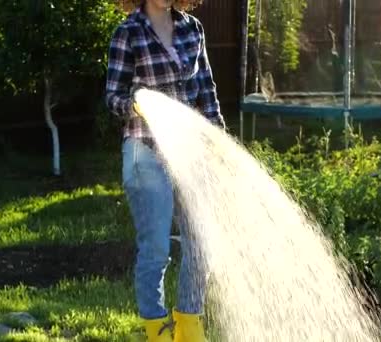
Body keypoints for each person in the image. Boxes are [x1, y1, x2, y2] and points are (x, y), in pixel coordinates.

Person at [105, 1, 225, 341]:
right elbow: (112, 96)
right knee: (156, 248)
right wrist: (135, 105)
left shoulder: (192, 28)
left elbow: (207, 88)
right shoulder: (128, 33)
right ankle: (157, 331)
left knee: (201, 243)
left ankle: (188, 326)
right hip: (146, 154)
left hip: (191, 153)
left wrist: (219, 138)